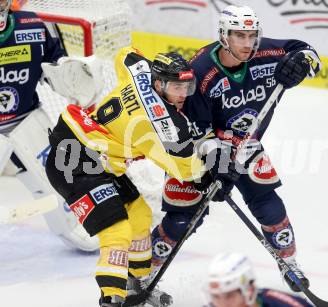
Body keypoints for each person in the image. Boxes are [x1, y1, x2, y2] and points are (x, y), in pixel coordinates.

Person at [43, 47, 234, 306]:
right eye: (176, 87)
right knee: (117, 228)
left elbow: (126, 53)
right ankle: (111, 298)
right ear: (160, 83)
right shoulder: (160, 125)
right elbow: (184, 169)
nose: (182, 95)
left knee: (140, 214)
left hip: (98, 160)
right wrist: (210, 179)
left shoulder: (139, 71)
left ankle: (137, 283)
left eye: (186, 87)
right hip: (74, 162)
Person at [150, 4, 322, 291]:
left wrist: (302, 63)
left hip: (246, 143)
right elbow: (198, 131)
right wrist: (218, 166)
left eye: (251, 35)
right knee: (184, 217)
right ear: (224, 36)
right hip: (200, 148)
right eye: (239, 36)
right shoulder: (201, 70)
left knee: (267, 201)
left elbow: (308, 53)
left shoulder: (268, 53)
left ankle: (290, 264)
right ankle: (143, 272)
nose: (246, 43)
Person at [0, 0, 98, 252]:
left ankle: (86, 224)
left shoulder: (33, 25)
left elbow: (56, 65)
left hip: (26, 121)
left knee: (81, 232)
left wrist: (71, 75)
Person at [204, 252, 313, 307]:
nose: (221, 304)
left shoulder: (282, 303)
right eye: (215, 296)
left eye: (229, 295)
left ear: (249, 289)